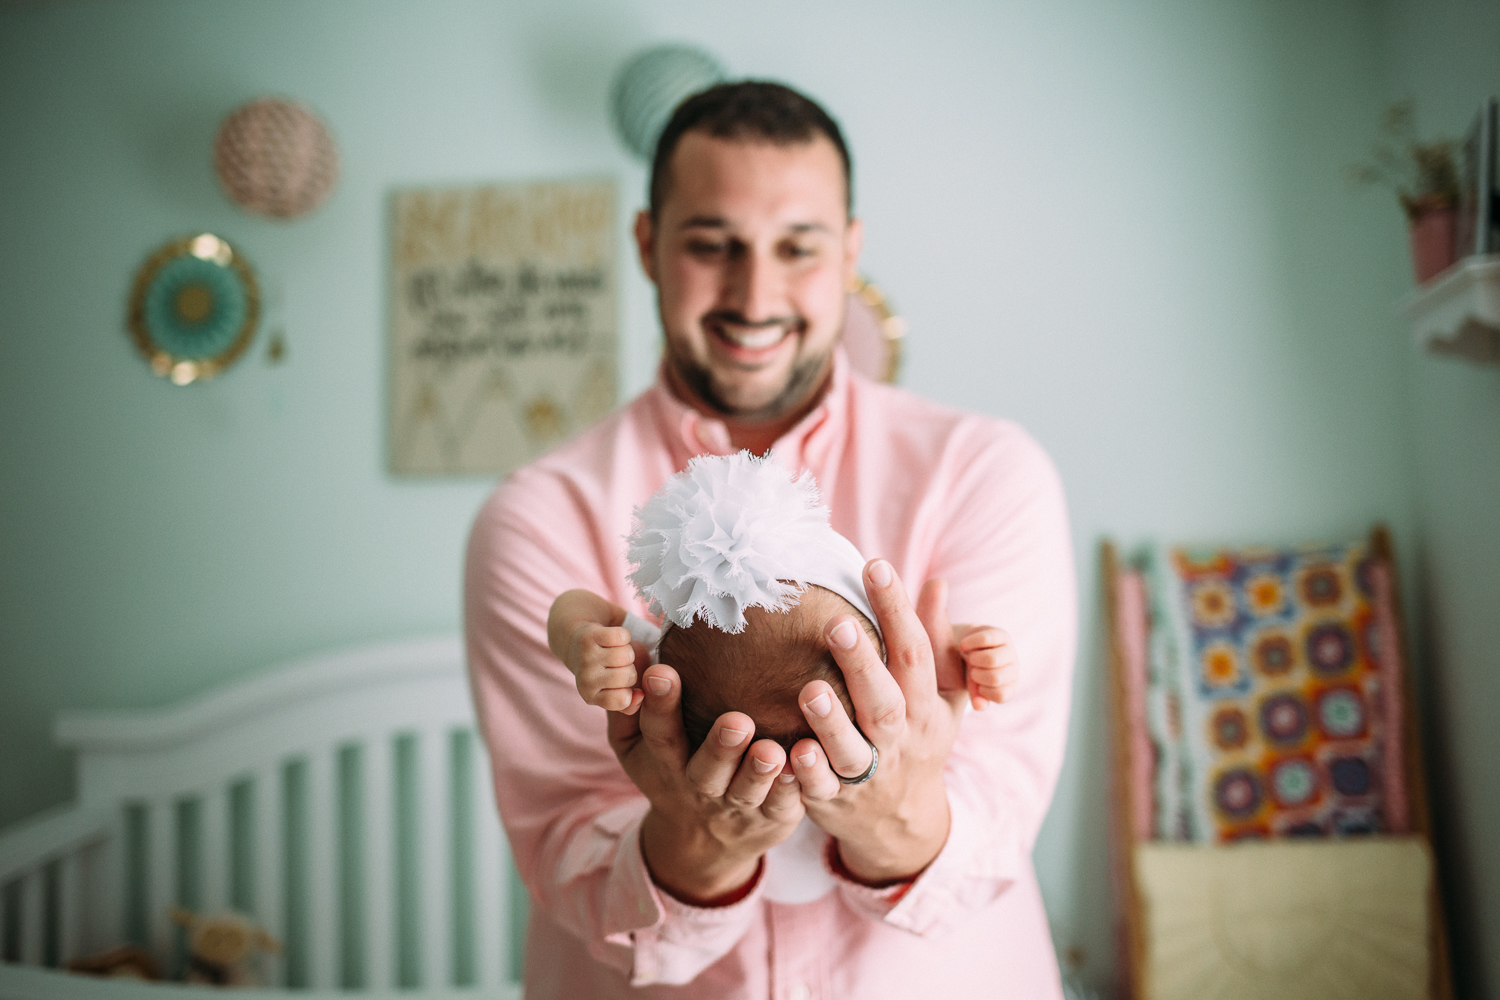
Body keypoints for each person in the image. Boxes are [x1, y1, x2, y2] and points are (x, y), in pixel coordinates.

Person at [465, 80, 1076, 998]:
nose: (756, 296)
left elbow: (992, 825)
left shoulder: (985, 471)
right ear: (648, 245)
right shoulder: (539, 515)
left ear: (850, 252)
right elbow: (569, 860)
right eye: (714, 246)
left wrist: (897, 812)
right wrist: (695, 845)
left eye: (797, 247)